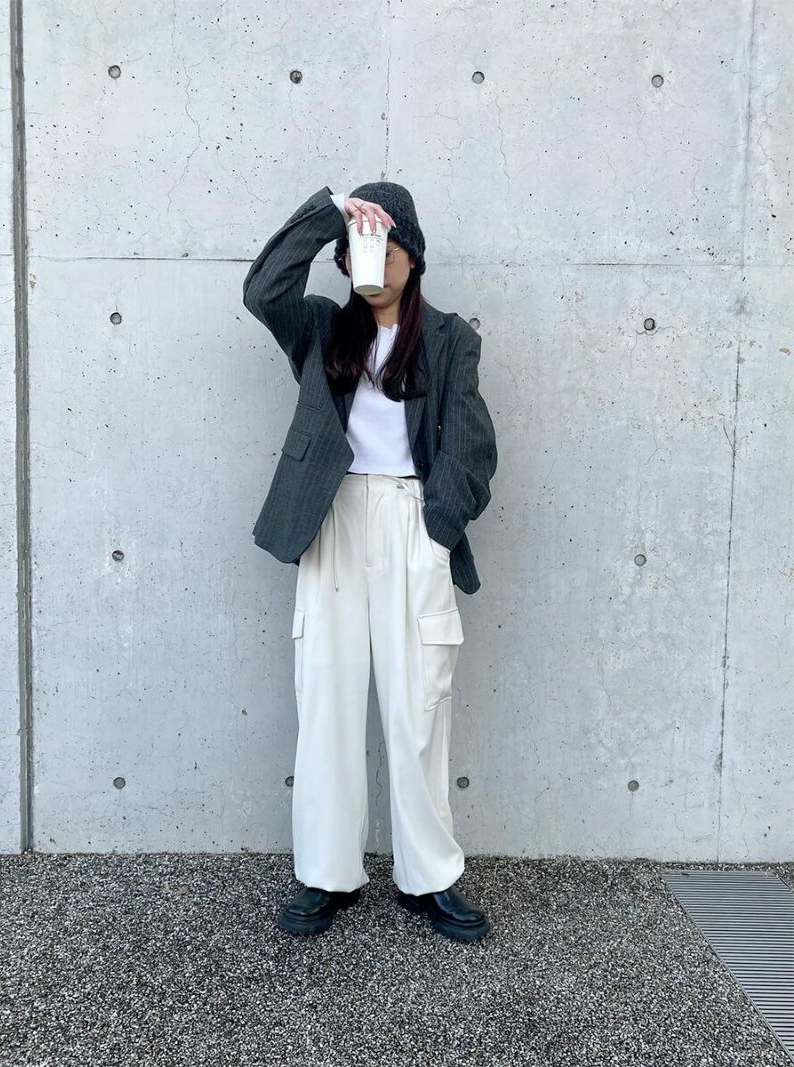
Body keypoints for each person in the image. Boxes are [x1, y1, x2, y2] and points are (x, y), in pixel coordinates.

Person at [242, 183, 498, 941]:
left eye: (387, 247)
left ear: (413, 257)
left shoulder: (448, 338)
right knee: (326, 696)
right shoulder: (322, 329)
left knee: (419, 703)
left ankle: (430, 878)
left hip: (412, 520)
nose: (374, 261)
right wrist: (332, 211)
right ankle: (326, 873)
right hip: (332, 518)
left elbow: (472, 445)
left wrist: (438, 524)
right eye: (361, 248)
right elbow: (263, 289)